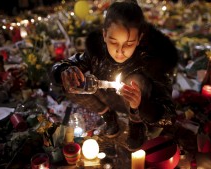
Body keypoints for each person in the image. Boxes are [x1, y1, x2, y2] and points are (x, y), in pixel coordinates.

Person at [51, 1, 178, 151]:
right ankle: (108, 116)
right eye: (113, 42)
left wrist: (141, 105)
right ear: (104, 35)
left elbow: (169, 116)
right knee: (72, 82)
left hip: (136, 106)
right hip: (106, 98)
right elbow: (64, 66)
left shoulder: (151, 61)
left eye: (129, 44)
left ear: (139, 39)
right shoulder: (96, 53)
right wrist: (64, 71)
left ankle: (135, 125)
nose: (120, 51)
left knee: (134, 82)